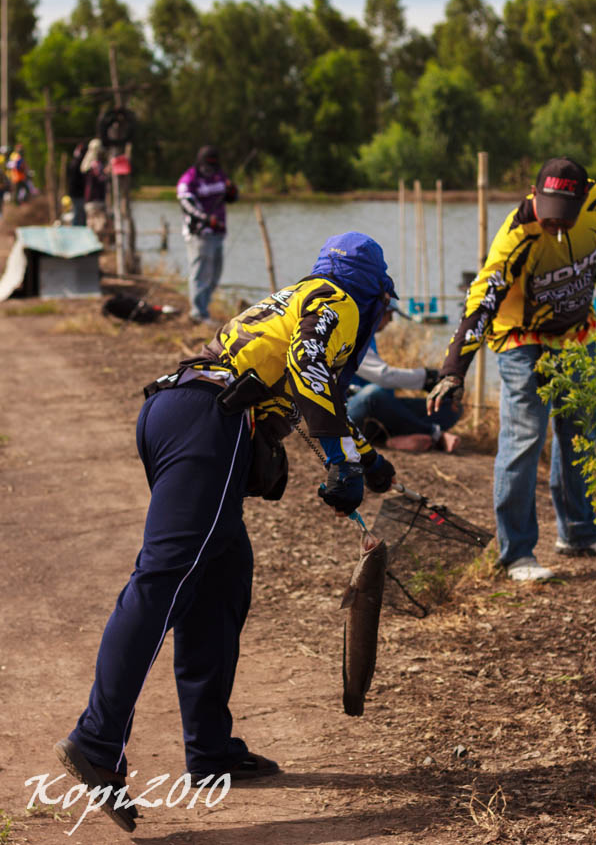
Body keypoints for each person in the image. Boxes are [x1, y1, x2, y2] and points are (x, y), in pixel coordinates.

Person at [54, 231, 398, 832]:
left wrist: (364, 457)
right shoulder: (340, 299)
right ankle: (96, 741)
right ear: (372, 291)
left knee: (222, 576)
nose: (386, 318)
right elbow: (311, 366)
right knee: (162, 580)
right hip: (207, 426)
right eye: (387, 307)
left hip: (180, 407)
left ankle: (210, 750)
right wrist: (341, 466)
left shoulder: (298, 296)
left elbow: (318, 389)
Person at [427, 157, 596, 582]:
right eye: (548, 213)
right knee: (525, 438)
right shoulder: (515, 237)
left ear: (581, 200)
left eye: (564, 217)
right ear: (535, 195)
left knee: (580, 430)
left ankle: (578, 532)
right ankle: (517, 553)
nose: (555, 225)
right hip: (523, 340)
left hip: (577, 335)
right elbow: (480, 306)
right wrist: (454, 370)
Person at [347, 299, 461, 453]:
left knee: (450, 408)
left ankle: (392, 438)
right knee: (372, 394)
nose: (391, 321)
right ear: (375, 312)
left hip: (380, 411)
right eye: (389, 315)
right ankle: (434, 435)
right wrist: (427, 379)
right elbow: (383, 376)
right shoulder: (352, 334)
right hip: (351, 411)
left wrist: (432, 383)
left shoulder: (368, 336)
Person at [177, 146, 238, 325]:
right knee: (200, 274)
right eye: (208, 164)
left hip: (218, 234)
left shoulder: (220, 175)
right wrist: (206, 220)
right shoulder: (189, 179)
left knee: (214, 276)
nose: (211, 168)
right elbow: (186, 204)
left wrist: (232, 191)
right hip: (199, 234)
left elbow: (232, 198)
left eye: (214, 164)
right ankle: (198, 314)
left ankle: (204, 309)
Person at [81, 138, 109, 237]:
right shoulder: (95, 165)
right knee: (99, 226)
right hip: (96, 199)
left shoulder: (87, 164)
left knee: (91, 225)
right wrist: (108, 171)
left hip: (89, 200)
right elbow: (101, 179)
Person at [67, 141, 88, 226]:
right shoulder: (79, 163)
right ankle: (76, 231)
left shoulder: (74, 161)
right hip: (77, 193)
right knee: (79, 214)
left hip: (75, 192)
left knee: (78, 213)